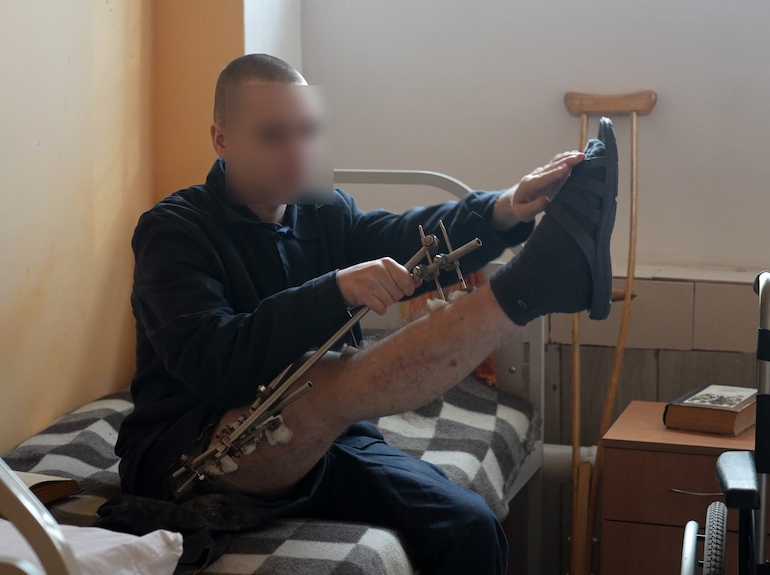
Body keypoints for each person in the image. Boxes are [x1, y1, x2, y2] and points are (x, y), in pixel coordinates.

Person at [114, 53, 617, 575]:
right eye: (273, 136)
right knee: (328, 380)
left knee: (468, 524)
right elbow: (213, 363)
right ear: (221, 140)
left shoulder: (324, 210)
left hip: (325, 439)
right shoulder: (171, 231)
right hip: (186, 446)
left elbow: (411, 240)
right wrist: (331, 291)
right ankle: (535, 283)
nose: (297, 152)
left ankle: (538, 277)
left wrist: (507, 207)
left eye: (307, 132)